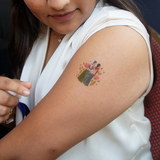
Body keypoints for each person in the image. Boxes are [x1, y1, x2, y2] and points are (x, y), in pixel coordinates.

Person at [0, 0, 153, 159]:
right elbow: (37, 121)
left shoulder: (120, 38)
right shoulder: (43, 27)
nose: (59, 4)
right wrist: (10, 110)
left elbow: (32, 146)